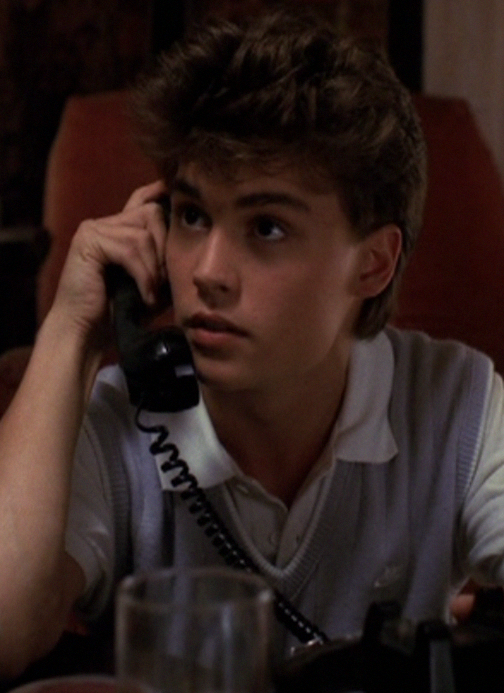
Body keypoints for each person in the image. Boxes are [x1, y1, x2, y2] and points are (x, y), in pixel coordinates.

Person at [1, 8, 504, 679]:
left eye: (267, 227)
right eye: (191, 215)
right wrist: (71, 330)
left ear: (374, 263)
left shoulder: (458, 402)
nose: (206, 272)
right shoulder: (120, 422)